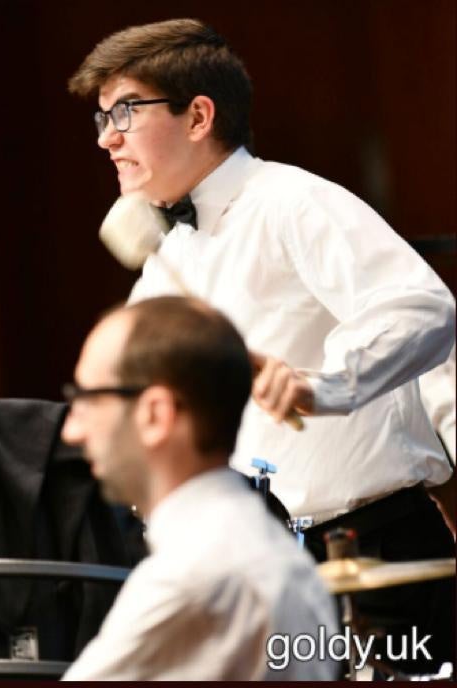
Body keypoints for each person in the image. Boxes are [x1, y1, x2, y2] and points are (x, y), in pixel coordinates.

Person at [68, 19, 455, 674]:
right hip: (263, 562)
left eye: (125, 112)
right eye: (102, 117)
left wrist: (321, 384)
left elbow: (420, 307)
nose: (107, 137)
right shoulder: (165, 264)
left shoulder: (293, 203)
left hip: (373, 549)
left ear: (198, 116)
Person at [60, 296, 338, 680]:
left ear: (155, 414)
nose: (71, 430)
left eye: (87, 400)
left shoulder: (194, 576)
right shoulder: (278, 555)